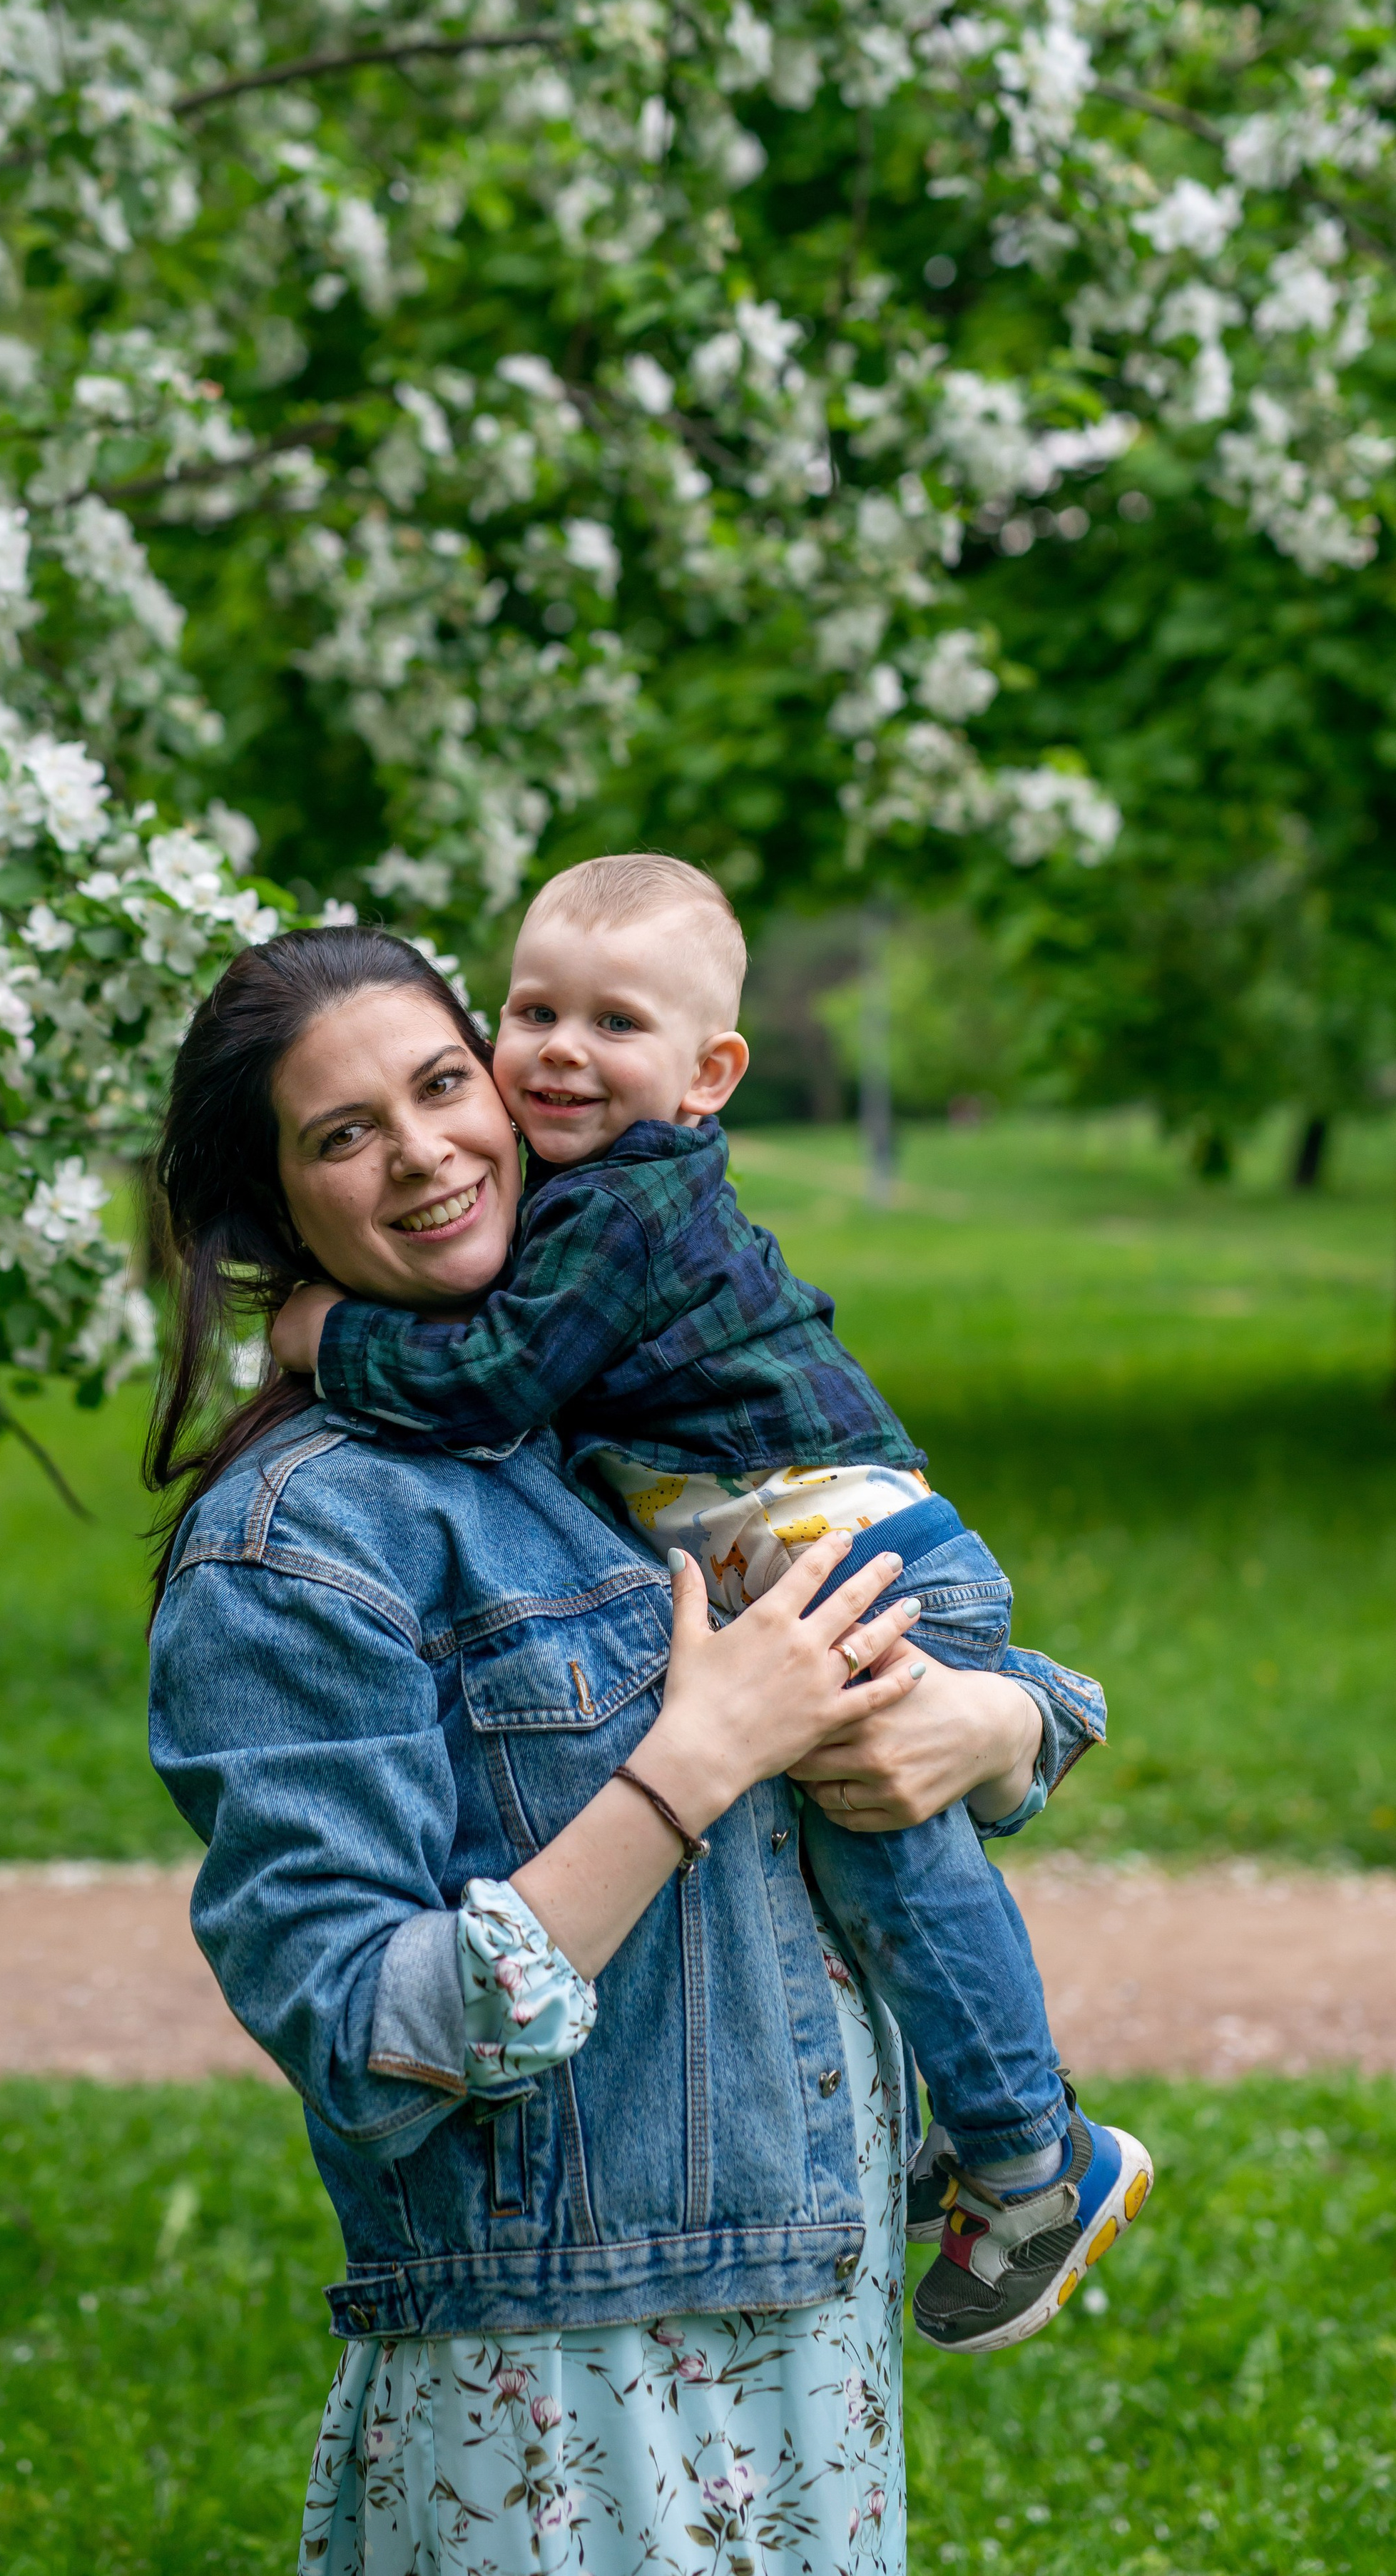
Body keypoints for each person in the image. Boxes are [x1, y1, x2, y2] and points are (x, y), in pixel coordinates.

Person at [146, 925, 1104, 2575]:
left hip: (814, 2323)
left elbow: (924, 1654)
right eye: (341, 1133)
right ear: (273, 1207)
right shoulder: (295, 1544)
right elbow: (367, 2040)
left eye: (442, 1084)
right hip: (560, 2394)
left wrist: (997, 1723)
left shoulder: (600, 1420)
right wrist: (689, 1764)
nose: (425, 1149)